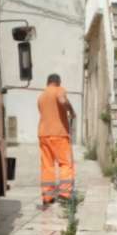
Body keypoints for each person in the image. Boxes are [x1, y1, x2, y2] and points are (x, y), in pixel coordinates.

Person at [37, 73, 76, 207]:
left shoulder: (41, 96)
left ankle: (47, 197)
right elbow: (62, 101)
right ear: (57, 82)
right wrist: (71, 111)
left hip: (43, 135)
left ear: (48, 82)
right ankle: (65, 194)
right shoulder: (59, 90)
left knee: (47, 166)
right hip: (58, 135)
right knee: (65, 164)